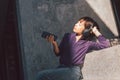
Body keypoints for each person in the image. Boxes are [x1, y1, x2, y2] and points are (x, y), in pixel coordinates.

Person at [36, 16, 110, 80]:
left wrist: (96, 31)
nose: (76, 24)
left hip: (73, 71)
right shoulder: (68, 36)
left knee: (41, 75)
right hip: (62, 68)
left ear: (86, 30)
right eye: (77, 22)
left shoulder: (87, 43)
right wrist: (54, 43)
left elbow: (105, 44)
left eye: (80, 24)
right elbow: (58, 53)